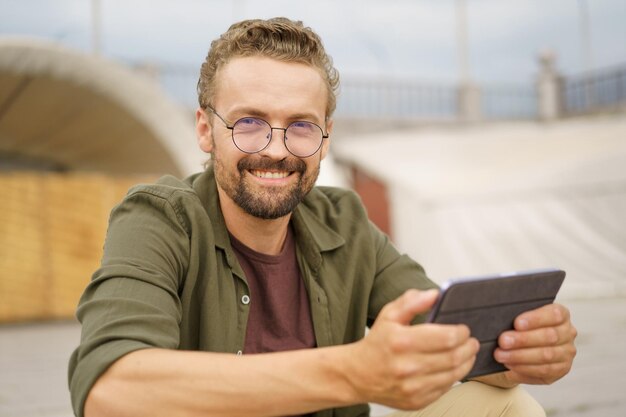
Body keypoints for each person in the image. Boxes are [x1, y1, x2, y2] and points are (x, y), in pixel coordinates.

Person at [68, 17, 577, 417]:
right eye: (249, 123)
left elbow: (442, 338)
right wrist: (351, 373)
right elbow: (110, 392)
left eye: (301, 126)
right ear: (205, 130)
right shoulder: (159, 218)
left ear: (326, 135)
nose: (276, 149)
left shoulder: (345, 221)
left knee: (506, 405)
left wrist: (520, 354)